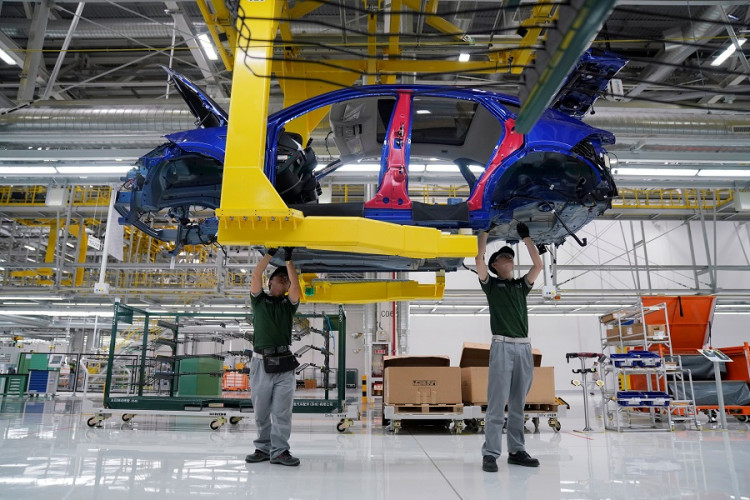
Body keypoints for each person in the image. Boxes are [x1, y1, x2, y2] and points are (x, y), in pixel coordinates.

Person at [475, 222, 543, 472]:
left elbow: (538, 266)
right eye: (504, 257)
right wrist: (484, 232)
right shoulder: (491, 285)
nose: (510, 260)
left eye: (511, 257)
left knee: (518, 404)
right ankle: (491, 453)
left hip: (524, 348)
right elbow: (478, 259)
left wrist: (526, 238)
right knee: (496, 403)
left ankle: (516, 450)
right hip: (502, 347)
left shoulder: (521, 287)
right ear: (495, 265)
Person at [245, 247, 302, 467]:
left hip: (284, 365)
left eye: (287, 281)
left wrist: (288, 260)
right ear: (271, 283)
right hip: (261, 362)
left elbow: (296, 286)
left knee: (282, 411)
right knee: (261, 410)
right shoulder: (259, 301)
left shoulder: (289, 306)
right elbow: (255, 274)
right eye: (280, 280)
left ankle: (279, 451)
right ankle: (262, 448)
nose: (285, 283)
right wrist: (269, 253)